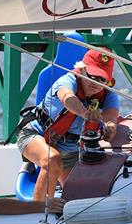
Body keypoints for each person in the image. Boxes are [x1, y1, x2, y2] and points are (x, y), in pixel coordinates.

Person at [17, 48, 120, 201]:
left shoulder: (109, 95)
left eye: (101, 79)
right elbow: (67, 97)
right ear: (81, 70)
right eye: (92, 76)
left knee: (80, 197)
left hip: (72, 150)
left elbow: (111, 117)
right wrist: (85, 113)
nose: (95, 83)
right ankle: (38, 211)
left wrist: (110, 129)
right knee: (52, 160)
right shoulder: (67, 81)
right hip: (36, 135)